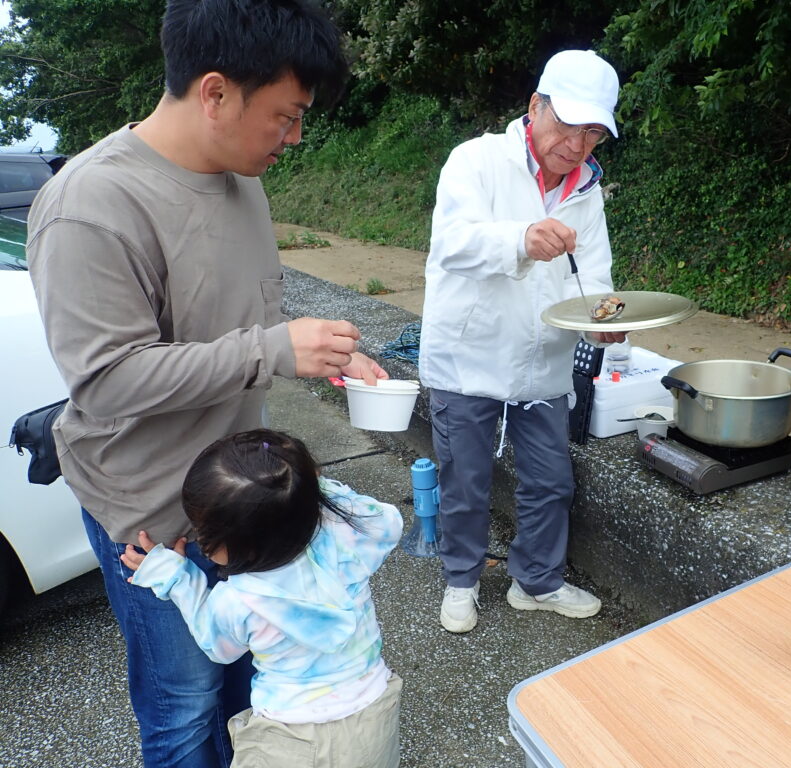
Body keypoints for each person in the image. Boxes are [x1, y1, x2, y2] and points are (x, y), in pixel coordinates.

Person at [26, 1, 386, 765]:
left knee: (247, 689)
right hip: (155, 512)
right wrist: (272, 349)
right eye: (286, 117)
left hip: (245, 500)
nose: (294, 138)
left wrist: (320, 351)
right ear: (216, 92)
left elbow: (244, 316)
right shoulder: (92, 205)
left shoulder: (240, 177)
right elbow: (107, 379)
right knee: (186, 709)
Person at [418, 50, 627, 633]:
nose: (577, 145)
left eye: (593, 132)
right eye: (568, 125)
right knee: (465, 481)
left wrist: (604, 320)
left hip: (544, 360)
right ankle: (461, 581)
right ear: (535, 106)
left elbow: (594, 279)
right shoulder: (476, 160)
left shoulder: (588, 190)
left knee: (551, 482)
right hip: (469, 355)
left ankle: (536, 581)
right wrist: (520, 240)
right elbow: (451, 244)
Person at [120, 429, 403, 768]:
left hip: (292, 738)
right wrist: (312, 490)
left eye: (204, 533)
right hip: (374, 714)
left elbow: (219, 647)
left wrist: (176, 577)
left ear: (244, 544)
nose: (201, 542)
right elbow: (389, 521)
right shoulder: (346, 534)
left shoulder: (240, 599)